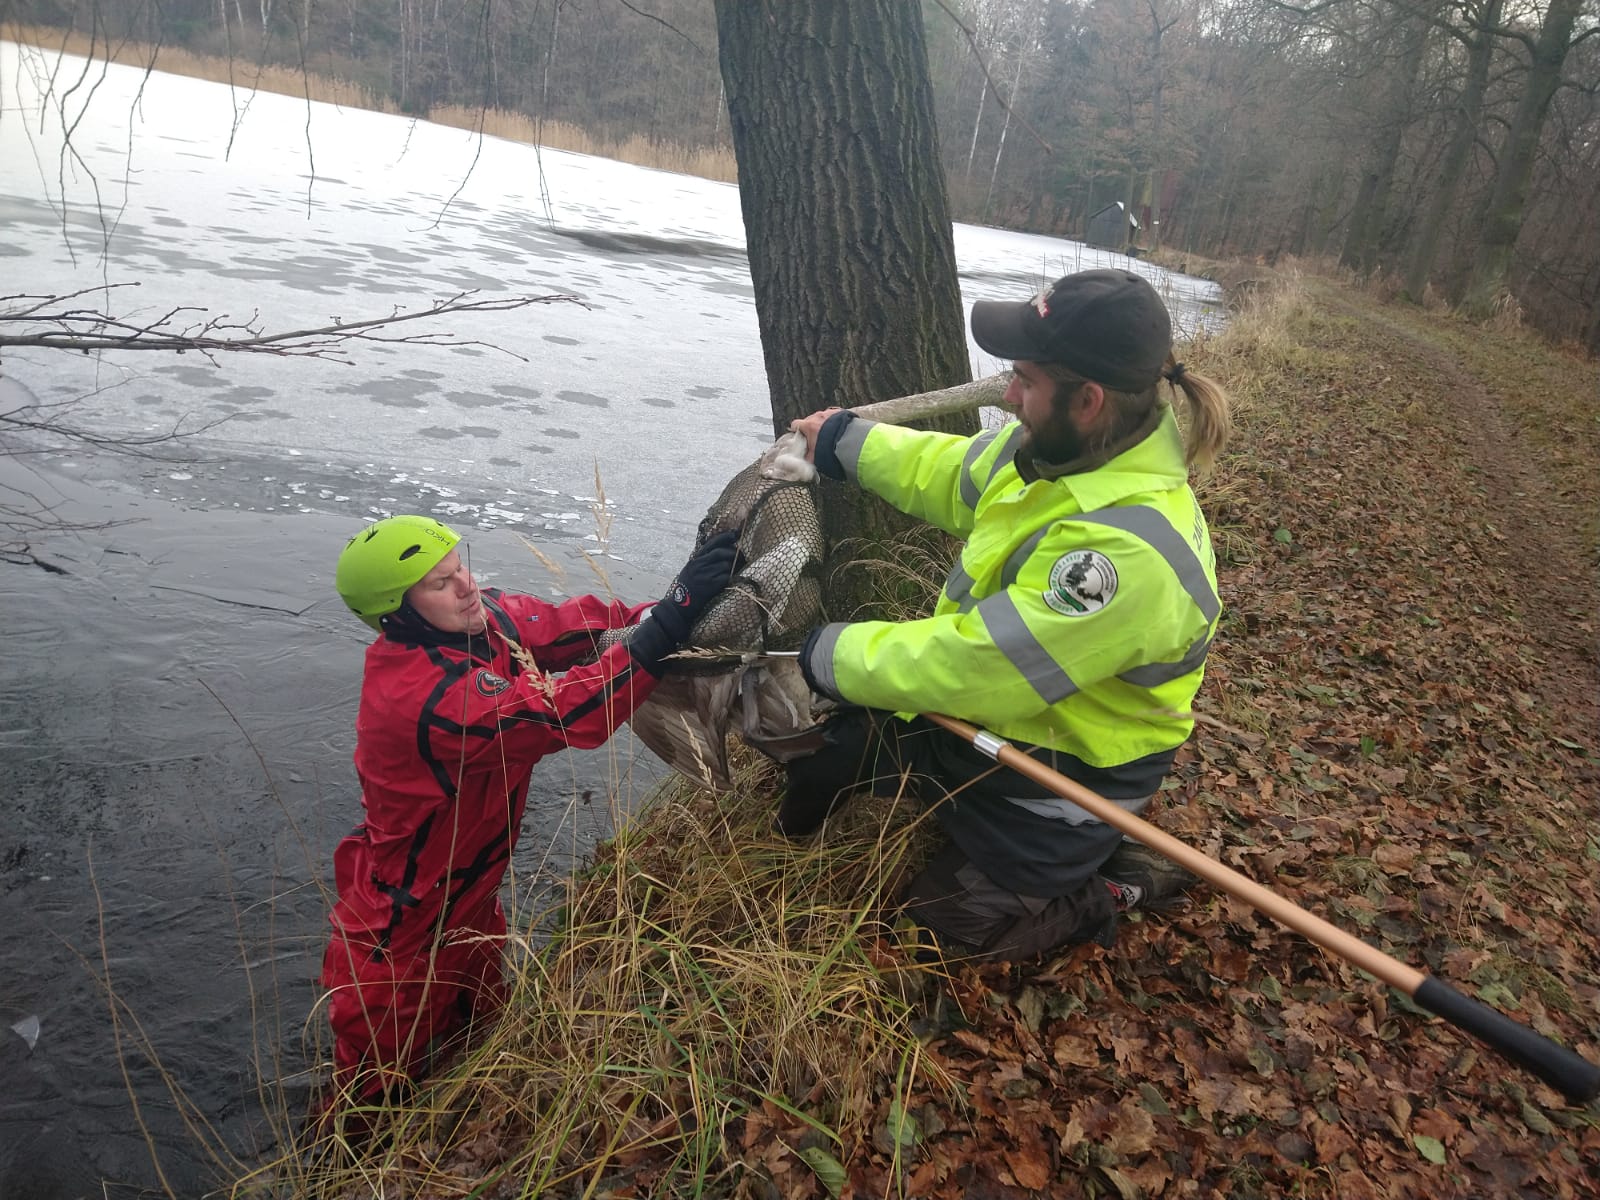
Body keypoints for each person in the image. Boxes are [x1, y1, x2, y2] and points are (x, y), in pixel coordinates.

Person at [782, 268, 1230, 963]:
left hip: (1063, 778)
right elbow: (948, 469)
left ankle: (1115, 885)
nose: (1008, 396)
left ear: (1088, 400)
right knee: (828, 753)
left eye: (1023, 379)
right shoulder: (1056, 452)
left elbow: (978, 665)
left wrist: (827, 656)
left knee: (936, 935)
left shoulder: (1126, 557)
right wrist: (844, 441)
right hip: (994, 727)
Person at [321, 514, 740, 1112]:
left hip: (470, 907)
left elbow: (573, 625)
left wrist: (673, 608)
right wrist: (670, 621)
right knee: (370, 1103)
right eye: (440, 584)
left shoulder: (481, 618)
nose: (467, 586)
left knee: (477, 1048)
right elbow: (561, 713)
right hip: (401, 938)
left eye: (459, 566)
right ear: (399, 615)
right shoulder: (419, 696)